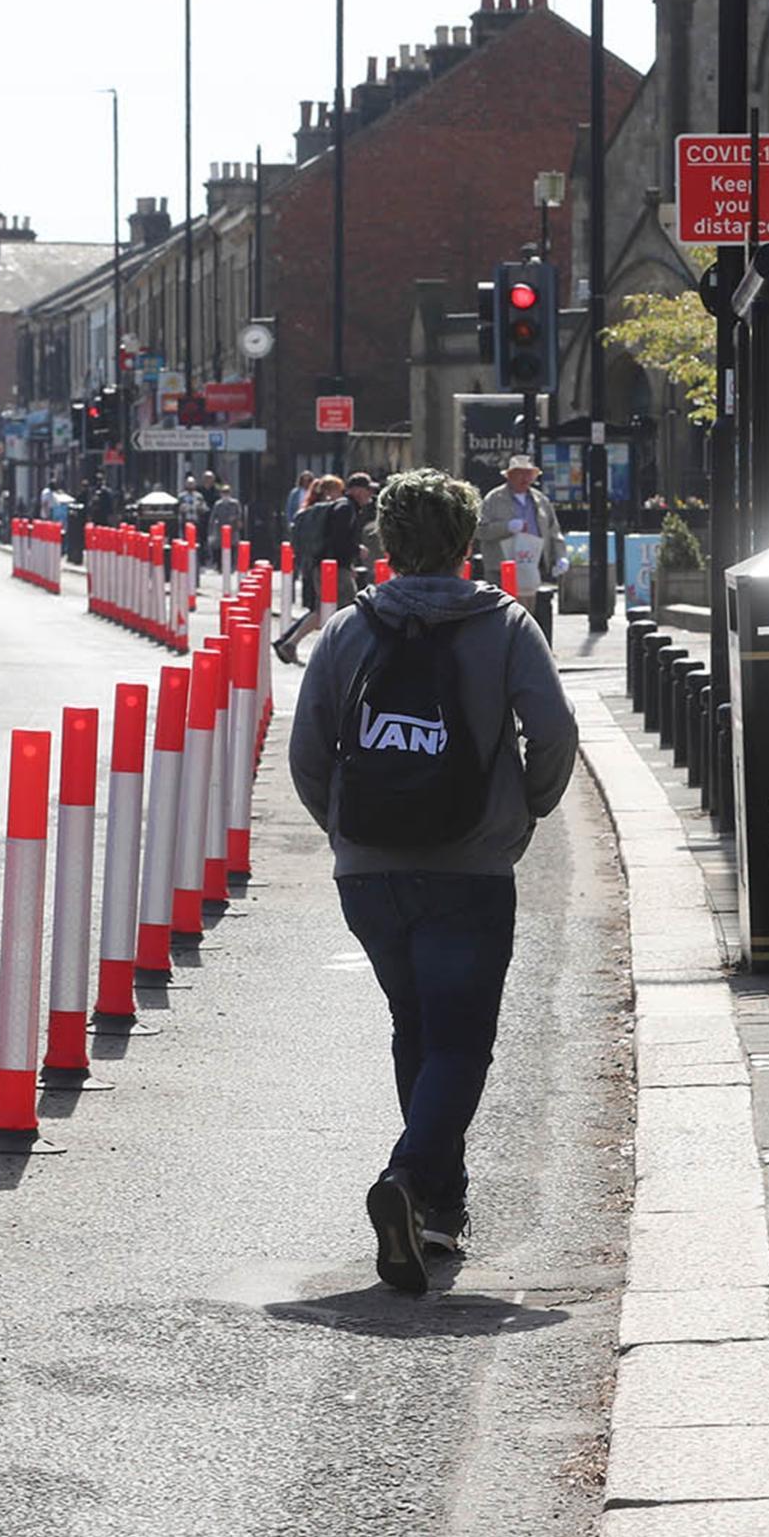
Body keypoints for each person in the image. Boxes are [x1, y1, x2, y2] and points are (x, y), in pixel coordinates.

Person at [285, 467, 579, 1292]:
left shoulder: (348, 630)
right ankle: (410, 1176)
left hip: (371, 876)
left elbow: (308, 756)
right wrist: (526, 811)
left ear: (387, 542)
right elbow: (553, 731)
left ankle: (438, 1211)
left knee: (415, 1023)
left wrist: (349, 835)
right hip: (470, 868)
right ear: (464, 542)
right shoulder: (507, 625)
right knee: (459, 1038)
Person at [473, 455, 565, 638]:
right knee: (503, 617)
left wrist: (561, 556)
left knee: (532, 617)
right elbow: (480, 531)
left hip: (533, 568)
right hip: (502, 570)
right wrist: (506, 527)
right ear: (509, 476)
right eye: (520, 474)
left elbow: (554, 531)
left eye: (528, 474)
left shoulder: (540, 500)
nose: (525, 478)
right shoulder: (494, 498)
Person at [272, 476, 353, 663]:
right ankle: (292, 643)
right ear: (330, 491)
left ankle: (288, 641)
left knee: (319, 607)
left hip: (312, 563)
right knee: (323, 608)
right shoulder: (331, 510)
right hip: (327, 566)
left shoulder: (309, 509)